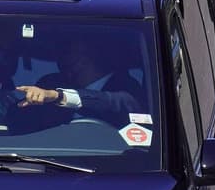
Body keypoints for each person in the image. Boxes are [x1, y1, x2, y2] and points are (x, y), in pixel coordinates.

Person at [16, 36, 145, 127]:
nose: (59, 58)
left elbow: (116, 102)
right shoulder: (51, 83)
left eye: (65, 50)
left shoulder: (126, 87)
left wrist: (58, 96)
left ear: (83, 55)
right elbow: (19, 121)